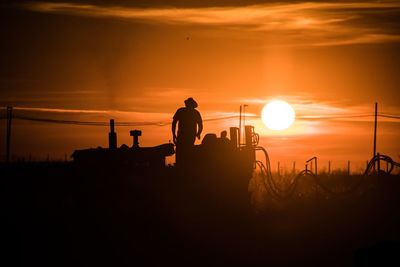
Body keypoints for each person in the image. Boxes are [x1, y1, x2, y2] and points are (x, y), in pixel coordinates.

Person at [172, 97, 203, 166]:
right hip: (188, 135)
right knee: (187, 150)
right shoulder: (195, 112)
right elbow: (200, 125)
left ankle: (182, 165)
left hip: (184, 135)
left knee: (181, 151)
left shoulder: (181, 111)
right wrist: (198, 133)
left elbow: (174, 123)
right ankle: (185, 165)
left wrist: (174, 135)